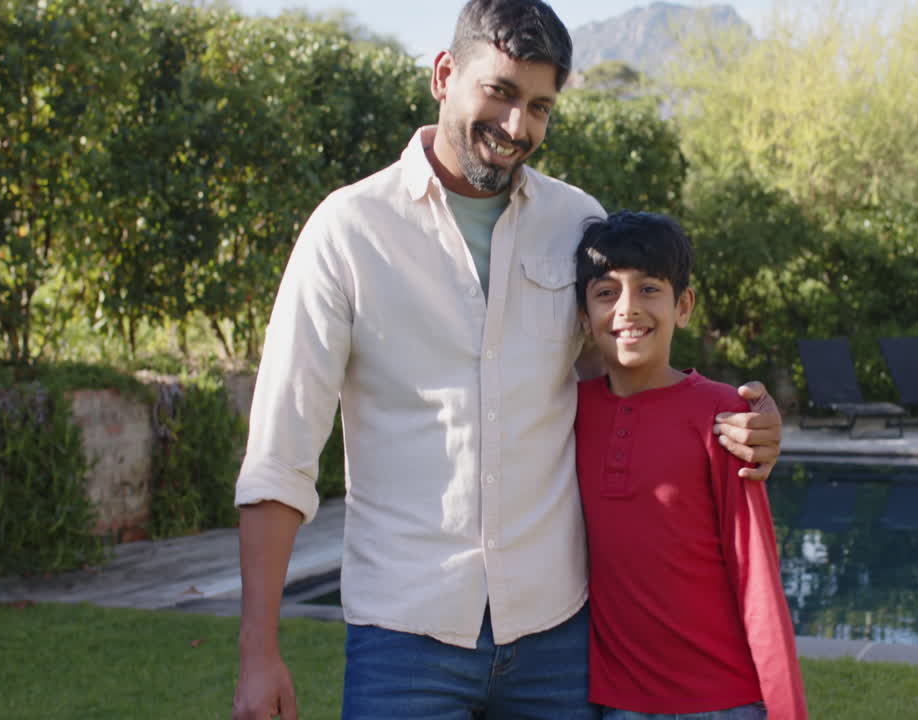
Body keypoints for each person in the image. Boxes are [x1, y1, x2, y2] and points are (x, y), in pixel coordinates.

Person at [231, 2, 783, 719]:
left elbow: (629, 375)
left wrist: (740, 421)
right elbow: (281, 453)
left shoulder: (576, 221)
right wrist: (258, 653)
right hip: (405, 636)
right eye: (501, 93)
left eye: (540, 106)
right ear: (444, 74)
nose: (518, 126)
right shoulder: (348, 231)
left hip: (556, 635)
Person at [574, 211, 807, 720]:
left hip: (721, 701)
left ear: (683, 306)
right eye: (606, 292)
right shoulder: (568, 411)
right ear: (584, 316)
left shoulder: (722, 416)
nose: (627, 309)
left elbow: (756, 573)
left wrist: (786, 708)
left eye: (649, 289)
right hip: (616, 702)